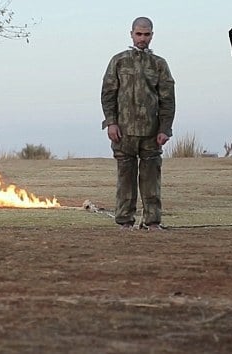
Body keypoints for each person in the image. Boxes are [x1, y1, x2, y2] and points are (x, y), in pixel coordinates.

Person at [100, 17, 176, 231]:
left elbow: (167, 99)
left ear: (152, 35)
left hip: (151, 132)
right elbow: (108, 94)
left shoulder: (159, 64)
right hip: (123, 133)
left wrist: (164, 129)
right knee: (125, 177)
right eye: (139, 34)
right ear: (131, 34)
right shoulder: (119, 61)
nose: (142, 38)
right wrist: (111, 123)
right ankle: (125, 220)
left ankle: (152, 221)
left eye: (147, 34)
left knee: (151, 178)